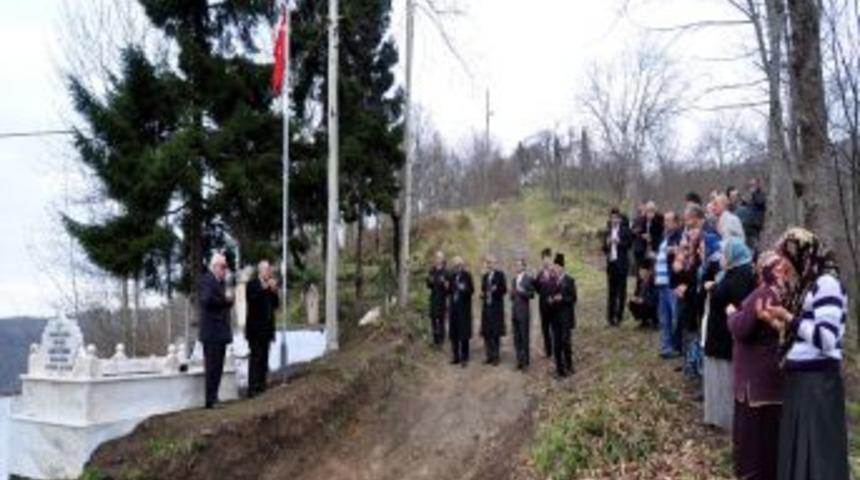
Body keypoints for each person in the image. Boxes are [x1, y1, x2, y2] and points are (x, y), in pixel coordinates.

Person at [763, 228, 849, 480]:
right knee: (799, 454)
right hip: (802, 383)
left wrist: (789, 319)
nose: (783, 266)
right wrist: (780, 323)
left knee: (818, 456)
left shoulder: (827, 284)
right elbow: (804, 335)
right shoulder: (807, 286)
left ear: (801, 254)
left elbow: (826, 339)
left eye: (786, 259)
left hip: (817, 385)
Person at [728, 251, 792, 480]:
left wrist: (731, 315)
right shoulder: (787, 294)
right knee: (769, 441)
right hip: (773, 378)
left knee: (753, 445)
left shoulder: (763, 294)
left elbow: (741, 329)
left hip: (755, 382)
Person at [702, 238, 756, 431]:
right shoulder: (732, 272)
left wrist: (714, 288)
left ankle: (725, 419)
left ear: (733, 255)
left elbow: (734, 299)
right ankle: (716, 416)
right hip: (718, 334)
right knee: (716, 378)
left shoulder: (742, 274)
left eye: (724, 254)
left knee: (724, 379)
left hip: (725, 336)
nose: (721, 258)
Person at [199, 252, 235, 409]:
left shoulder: (221, 283)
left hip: (221, 332)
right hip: (211, 332)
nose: (225, 269)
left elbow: (225, 302)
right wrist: (225, 300)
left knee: (219, 367)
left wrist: (229, 301)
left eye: (226, 266)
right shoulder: (207, 280)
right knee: (212, 367)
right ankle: (210, 400)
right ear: (214, 266)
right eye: (222, 266)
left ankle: (215, 397)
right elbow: (206, 300)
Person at [245, 260, 279, 398]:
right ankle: (252, 388)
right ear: (260, 271)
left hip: (267, 328)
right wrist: (265, 288)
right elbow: (252, 299)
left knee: (264, 357)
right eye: (267, 270)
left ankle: (261, 385)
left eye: (269, 270)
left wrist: (274, 291)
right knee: (256, 357)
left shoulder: (270, 286)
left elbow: (276, 305)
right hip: (254, 329)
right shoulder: (252, 284)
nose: (269, 272)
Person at [656, 211, 683, 358]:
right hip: (661, 282)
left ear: (676, 222)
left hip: (671, 282)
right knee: (664, 317)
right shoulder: (664, 236)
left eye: (669, 220)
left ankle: (677, 346)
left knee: (675, 316)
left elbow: (682, 253)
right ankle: (665, 347)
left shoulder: (679, 235)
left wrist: (675, 250)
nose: (665, 223)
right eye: (665, 220)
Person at [548, 253, 576, 377]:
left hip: (565, 316)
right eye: (554, 267)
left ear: (562, 267)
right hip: (555, 317)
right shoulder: (552, 281)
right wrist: (550, 299)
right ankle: (559, 369)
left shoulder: (569, 280)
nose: (555, 269)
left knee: (566, 342)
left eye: (557, 267)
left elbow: (573, 298)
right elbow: (549, 295)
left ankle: (569, 366)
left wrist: (562, 298)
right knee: (557, 343)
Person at [602, 208, 633, 326]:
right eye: (612, 218)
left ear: (619, 219)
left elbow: (629, 245)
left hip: (622, 264)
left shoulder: (625, 230)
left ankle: (619, 316)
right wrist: (607, 243)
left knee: (621, 291)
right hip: (611, 264)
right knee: (611, 291)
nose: (614, 220)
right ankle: (610, 317)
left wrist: (619, 241)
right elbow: (604, 249)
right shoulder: (608, 231)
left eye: (616, 218)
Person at [480, 255, 507, 365]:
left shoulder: (500, 275)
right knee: (486, 332)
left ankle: (496, 357)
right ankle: (489, 356)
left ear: (495, 264)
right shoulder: (485, 276)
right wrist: (482, 294)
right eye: (488, 263)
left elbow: (504, 290)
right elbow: (483, 290)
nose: (490, 265)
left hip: (496, 307)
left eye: (492, 263)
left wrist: (496, 289)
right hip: (486, 307)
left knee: (495, 333)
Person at [509, 258, 535, 370]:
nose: (517, 267)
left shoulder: (528, 279)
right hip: (515, 311)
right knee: (516, 338)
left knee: (524, 337)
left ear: (524, 267)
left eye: (519, 265)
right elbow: (512, 297)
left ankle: (526, 362)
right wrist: (511, 294)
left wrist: (522, 291)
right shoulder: (514, 280)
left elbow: (532, 294)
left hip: (524, 312)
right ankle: (519, 361)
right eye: (516, 265)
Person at [448, 256, 474, 367]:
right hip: (453, 308)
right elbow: (450, 290)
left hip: (464, 309)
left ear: (462, 264)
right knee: (454, 333)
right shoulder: (452, 276)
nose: (456, 266)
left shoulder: (467, 275)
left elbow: (471, 290)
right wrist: (447, 287)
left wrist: (464, 288)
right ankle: (455, 357)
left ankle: (465, 358)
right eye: (455, 264)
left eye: (458, 264)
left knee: (463, 334)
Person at [535, 248, 557, 358]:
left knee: (555, 329)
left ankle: (556, 351)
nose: (546, 261)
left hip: (554, 305)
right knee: (545, 329)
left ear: (551, 259)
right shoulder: (540, 274)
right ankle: (548, 351)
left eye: (548, 258)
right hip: (543, 305)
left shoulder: (555, 272)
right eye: (544, 259)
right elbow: (537, 289)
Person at [633, 201, 664, 274]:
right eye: (648, 211)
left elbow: (659, 236)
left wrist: (651, 238)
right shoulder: (642, 221)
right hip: (643, 250)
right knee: (642, 273)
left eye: (651, 211)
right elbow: (638, 233)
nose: (649, 214)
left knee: (652, 272)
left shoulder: (658, 222)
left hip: (653, 250)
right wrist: (642, 236)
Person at [426, 251, 450, 347]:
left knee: (441, 320)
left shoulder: (446, 271)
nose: (437, 259)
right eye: (436, 257)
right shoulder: (432, 270)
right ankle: (435, 339)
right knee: (433, 319)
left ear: (443, 259)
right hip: (433, 298)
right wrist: (429, 281)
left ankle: (441, 341)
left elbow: (449, 288)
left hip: (442, 299)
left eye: (439, 257)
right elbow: (428, 285)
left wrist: (445, 284)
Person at [628, 259, 658, 328]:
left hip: (652, 304)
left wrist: (644, 300)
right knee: (632, 303)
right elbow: (636, 293)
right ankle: (644, 321)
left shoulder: (654, 282)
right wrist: (635, 298)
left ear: (649, 272)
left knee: (649, 305)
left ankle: (655, 321)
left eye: (643, 271)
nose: (640, 273)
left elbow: (655, 297)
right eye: (640, 271)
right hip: (643, 302)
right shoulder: (640, 281)